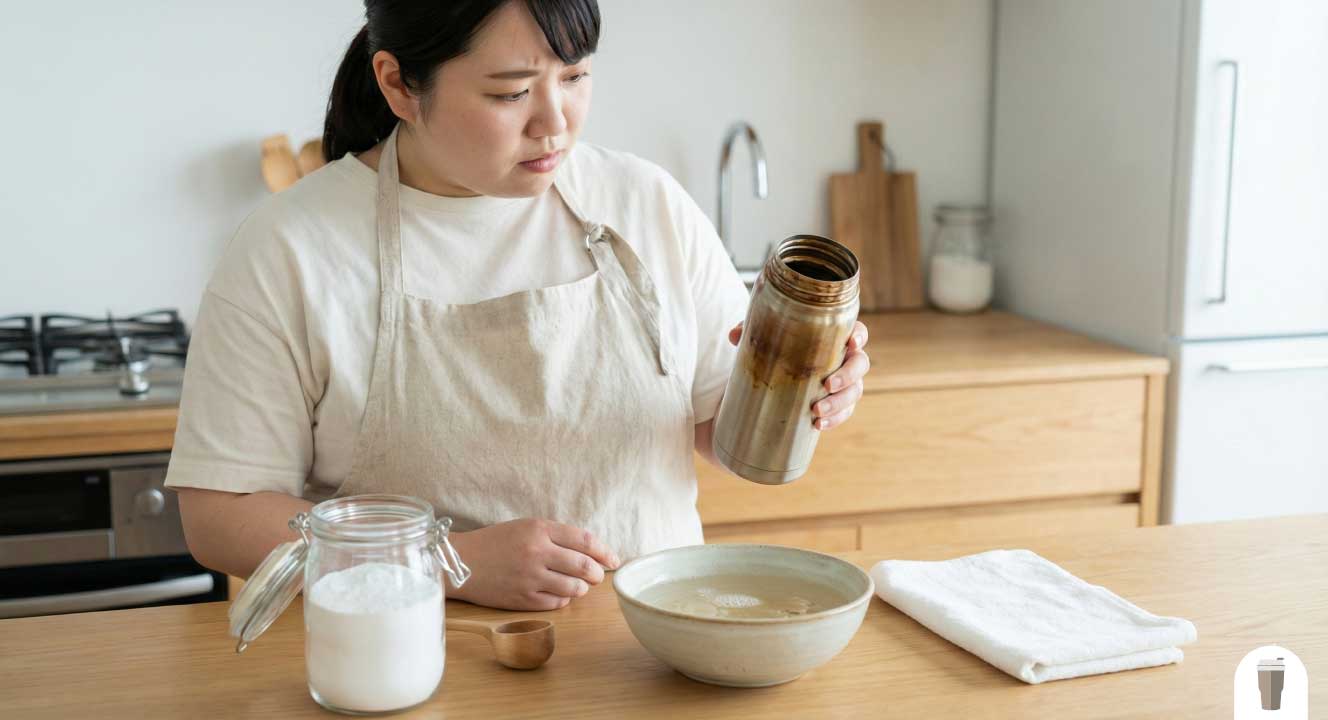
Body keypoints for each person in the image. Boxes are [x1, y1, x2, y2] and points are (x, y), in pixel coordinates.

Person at [167, 0, 871, 611]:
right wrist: (449, 562)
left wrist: (803, 390)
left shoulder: (644, 201)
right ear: (399, 85)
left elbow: (724, 434)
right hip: (415, 661)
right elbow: (220, 516)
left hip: (653, 653)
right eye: (510, 94)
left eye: (575, 76)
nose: (555, 124)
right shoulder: (290, 247)